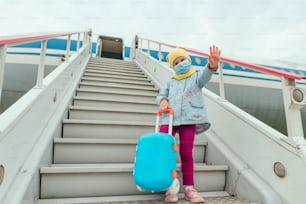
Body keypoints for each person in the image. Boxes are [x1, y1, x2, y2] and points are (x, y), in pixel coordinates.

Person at [157, 45, 221, 203]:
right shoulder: (171, 82)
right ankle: (169, 186)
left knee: (186, 153)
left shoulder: (196, 77)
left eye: (182, 59)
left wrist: (212, 65)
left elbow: (206, 75)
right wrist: (163, 101)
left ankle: (189, 189)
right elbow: (162, 94)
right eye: (176, 62)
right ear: (173, 66)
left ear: (188, 60)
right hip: (169, 119)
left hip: (189, 120)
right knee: (166, 151)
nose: (180, 63)